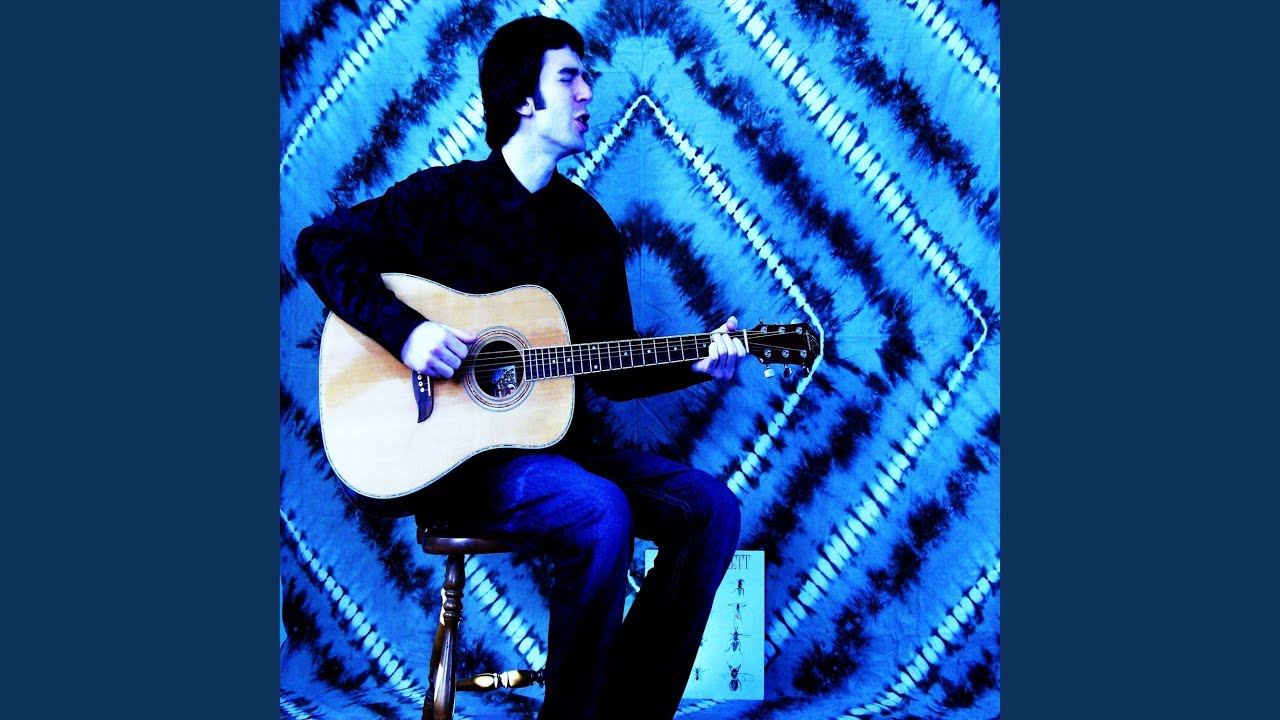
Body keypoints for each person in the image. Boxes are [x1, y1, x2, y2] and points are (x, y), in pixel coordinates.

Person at [296, 16, 744, 720]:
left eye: (587, 77)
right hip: (456, 466)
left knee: (712, 510)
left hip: (561, 451)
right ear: (523, 99)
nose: (588, 92)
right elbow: (319, 245)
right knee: (601, 509)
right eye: (570, 78)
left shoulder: (589, 230)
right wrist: (408, 334)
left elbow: (613, 369)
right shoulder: (441, 201)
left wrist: (700, 360)